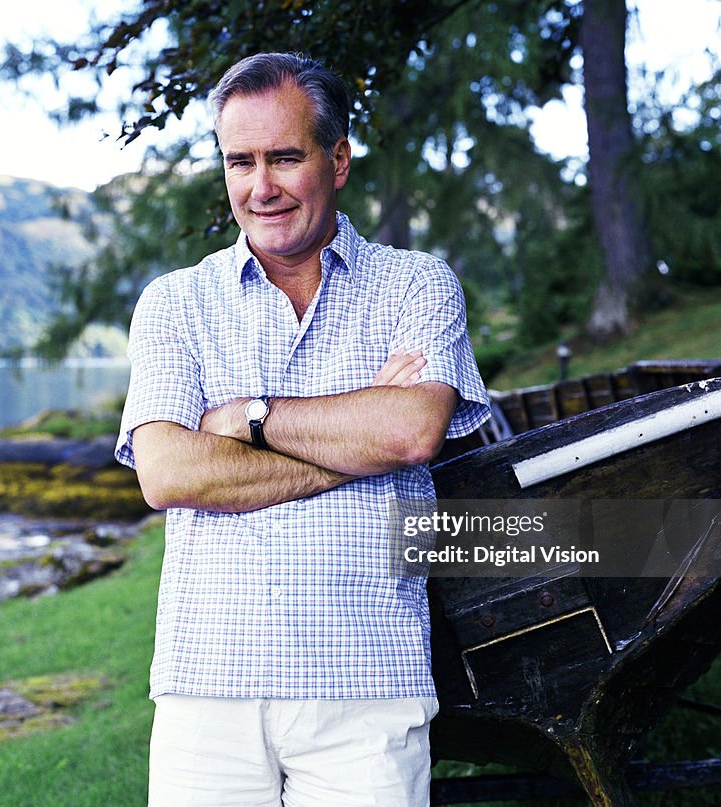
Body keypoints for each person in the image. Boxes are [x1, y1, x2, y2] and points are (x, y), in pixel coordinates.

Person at [115, 51, 491, 806]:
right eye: (240, 161)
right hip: (205, 687)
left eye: (286, 156)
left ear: (339, 159)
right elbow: (168, 473)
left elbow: (414, 431)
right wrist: (358, 444)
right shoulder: (175, 303)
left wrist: (249, 421)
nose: (262, 187)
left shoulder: (417, 284)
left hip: (368, 685)